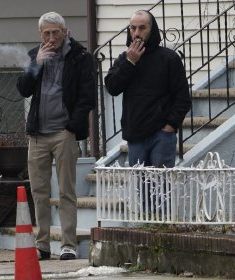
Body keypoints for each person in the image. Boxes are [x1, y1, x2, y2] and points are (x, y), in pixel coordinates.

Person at [17, 12, 96, 261]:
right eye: (47, 33)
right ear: (40, 35)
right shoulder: (35, 55)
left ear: (65, 32)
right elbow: (23, 89)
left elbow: (87, 97)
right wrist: (36, 65)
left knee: (65, 191)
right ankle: (42, 245)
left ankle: (68, 245)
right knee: (39, 191)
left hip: (64, 133)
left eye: (56, 32)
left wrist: (72, 128)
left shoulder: (81, 57)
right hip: (38, 134)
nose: (52, 37)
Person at [104, 10, 192, 168]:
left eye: (142, 28)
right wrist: (130, 62)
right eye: (133, 28)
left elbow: (182, 98)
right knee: (141, 188)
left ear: (152, 29)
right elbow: (112, 87)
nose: (137, 33)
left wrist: (170, 126)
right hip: (135, 135)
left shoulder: (169, 58)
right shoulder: (124, 59)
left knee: (161, 189)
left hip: (162, 134)